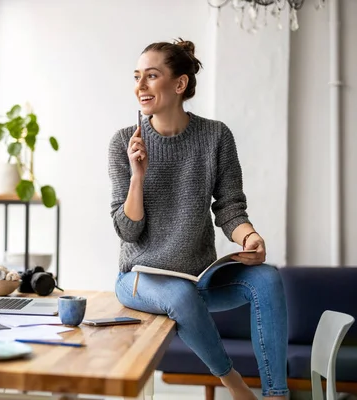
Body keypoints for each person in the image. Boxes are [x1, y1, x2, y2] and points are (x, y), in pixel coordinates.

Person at [108, 38, 288, 400]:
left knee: (266, 278)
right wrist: (137, 176)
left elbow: (230, 206)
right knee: (180, 294)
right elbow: (128, 230)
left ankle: (275, 394)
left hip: (198, 276)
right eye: (137, 77)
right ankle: (233, 383)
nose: (139, 87)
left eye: (151, 76)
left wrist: (249, 236)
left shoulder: (216, 136)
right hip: (140, 278)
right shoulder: (124, 142)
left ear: (179, 84)